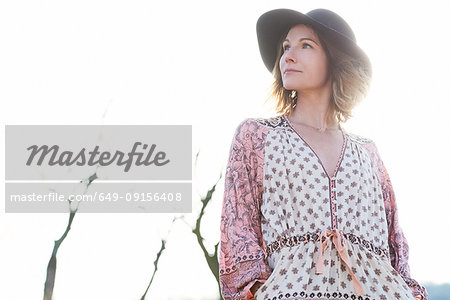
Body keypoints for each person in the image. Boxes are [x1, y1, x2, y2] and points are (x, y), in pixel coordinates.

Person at [218, 8, 428, 300]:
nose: (288, 56)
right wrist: (257, 290)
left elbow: (394, 244)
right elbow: (238, 230)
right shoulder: (256, 136)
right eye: (285, 47)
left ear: (334, 58)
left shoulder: (368, 152)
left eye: (306, 45)